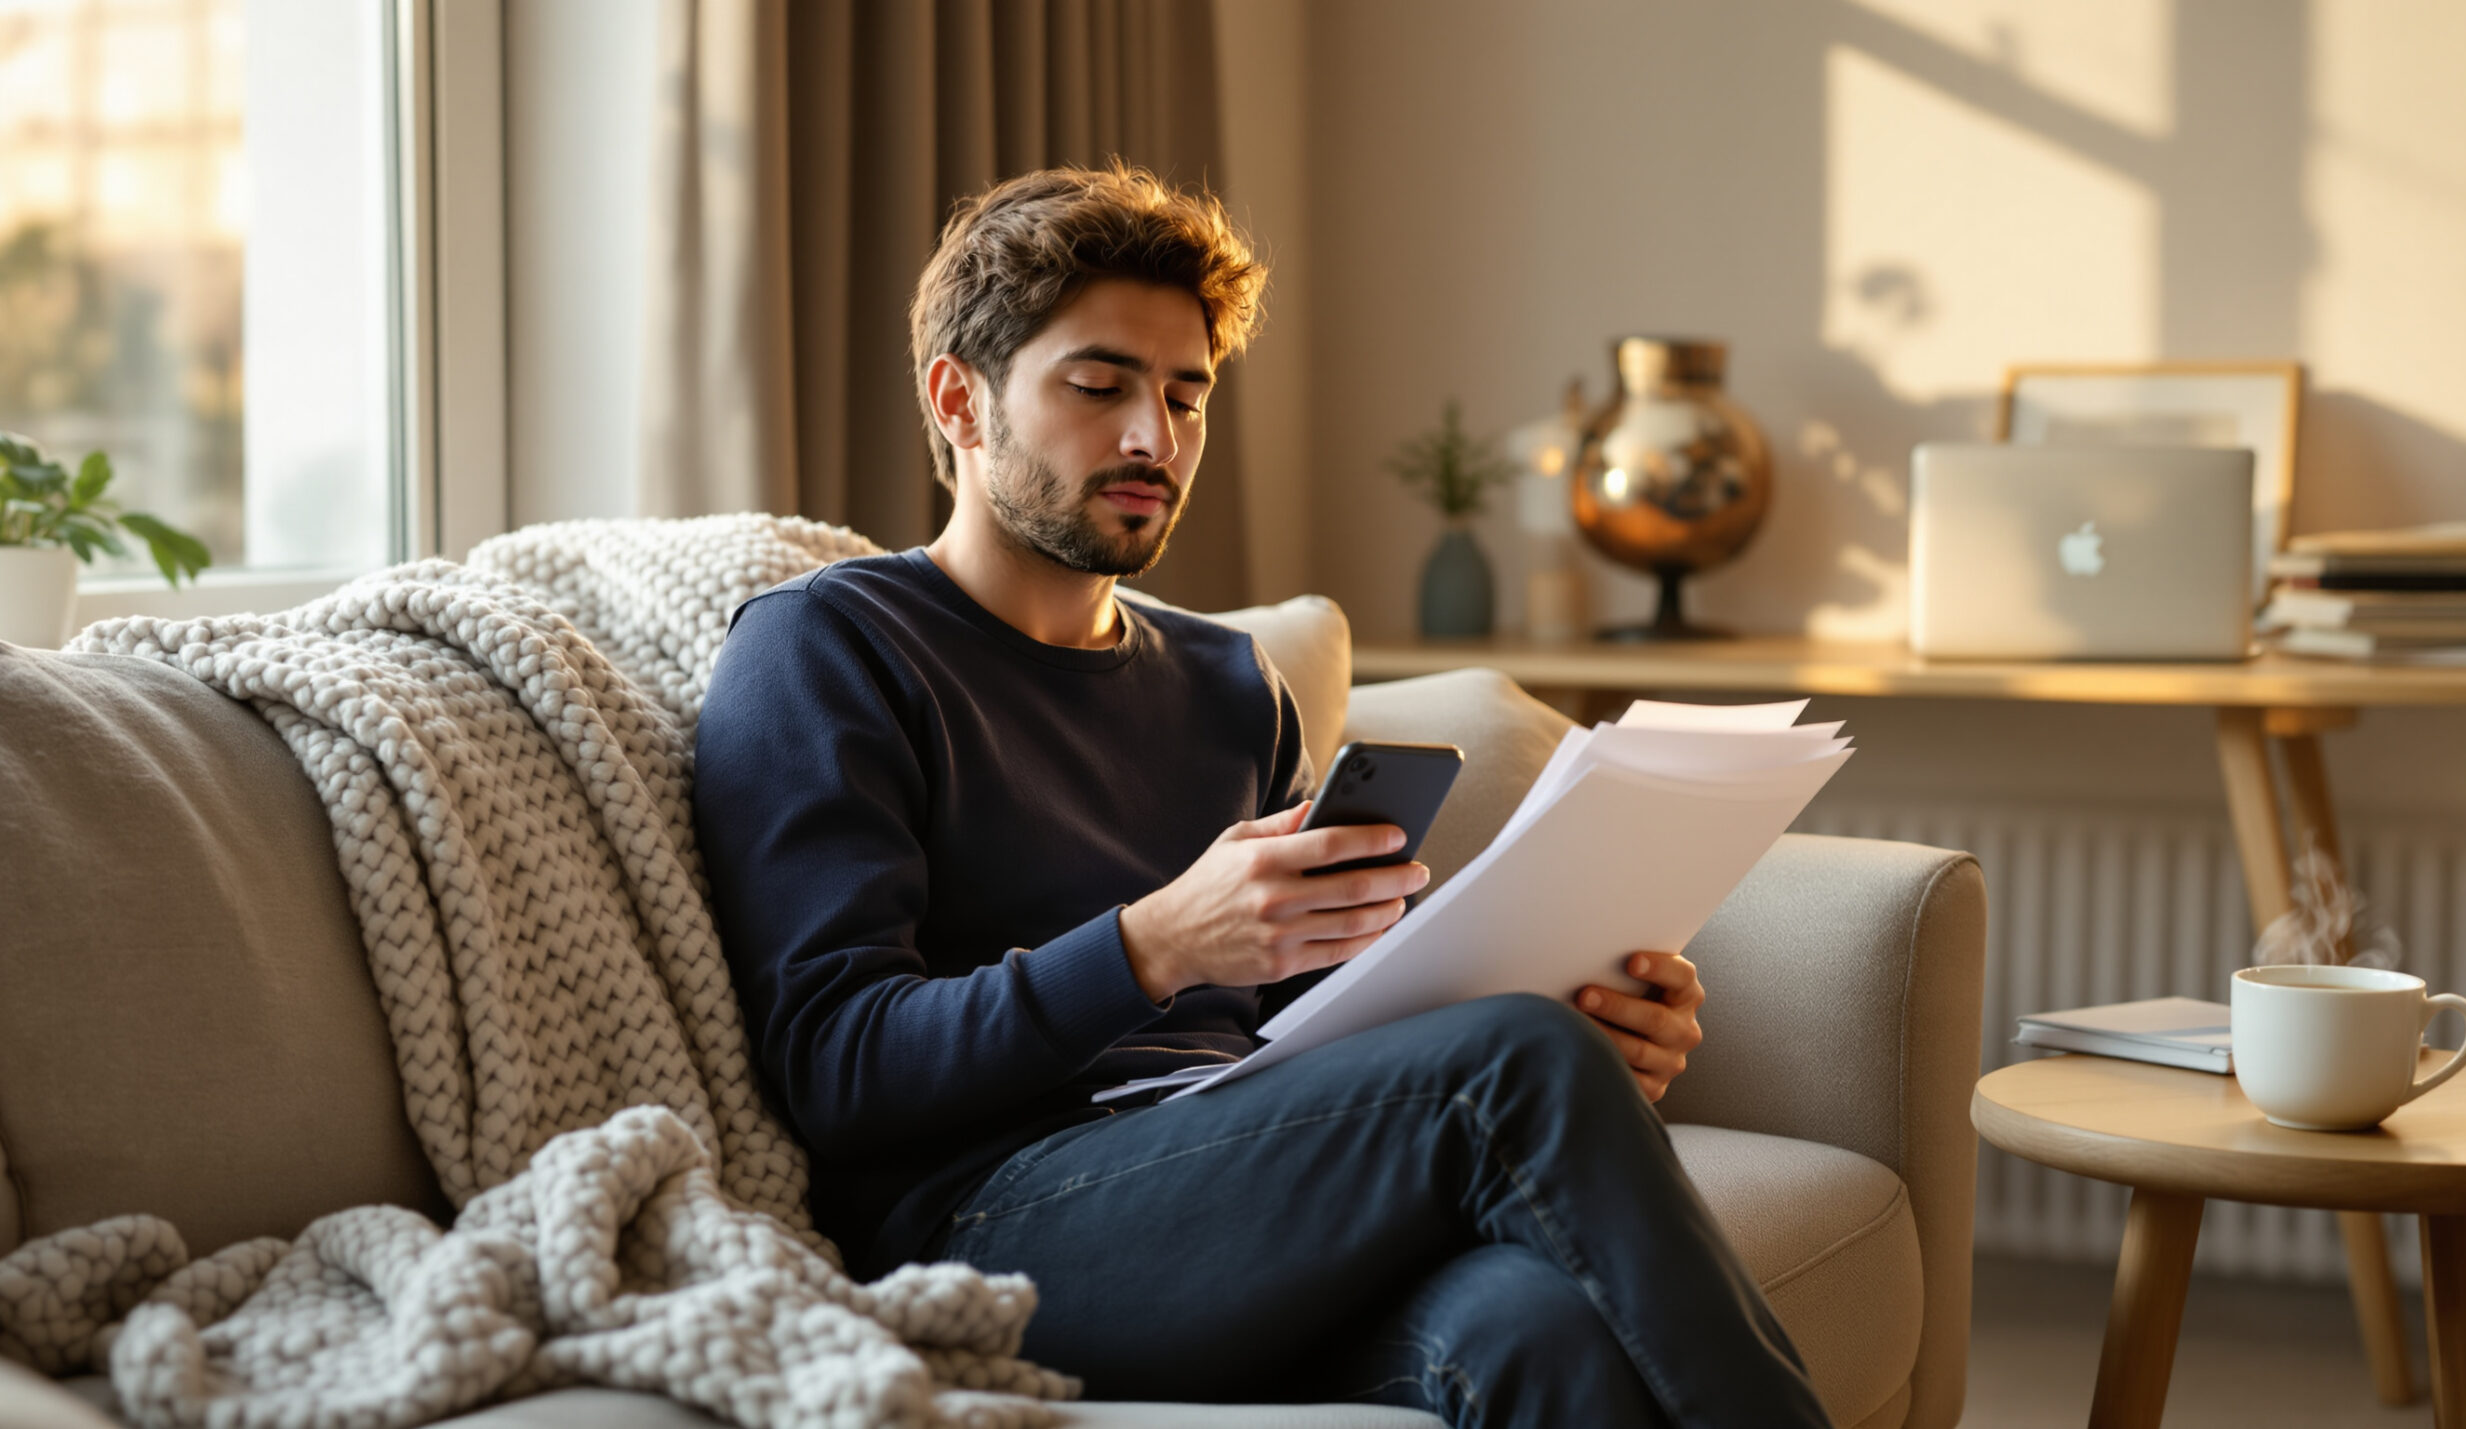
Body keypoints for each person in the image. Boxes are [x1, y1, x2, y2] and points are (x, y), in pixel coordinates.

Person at [692, 163, 1833, 1428]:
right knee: (1511, 1067)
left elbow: (1335, 1019)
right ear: (958, 400)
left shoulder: (1232, 684)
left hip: (1247, 1190)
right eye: (1099, 385)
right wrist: (1154, 945)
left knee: (1534, 1327)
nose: (1154, 437)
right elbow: (836, 1066)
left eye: (1186, 395)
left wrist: (1586, 1018)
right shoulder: (823, 649)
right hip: (990, 1222)